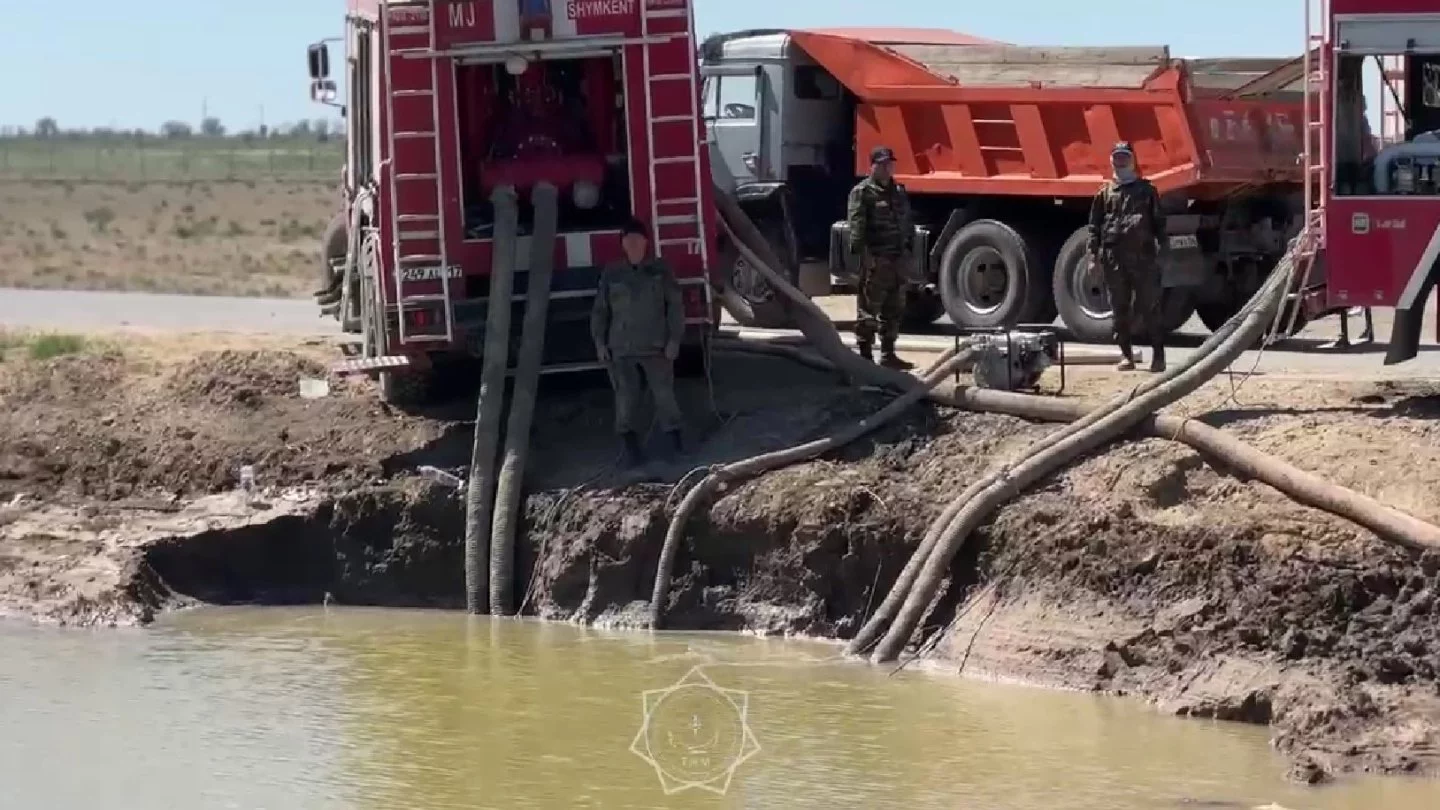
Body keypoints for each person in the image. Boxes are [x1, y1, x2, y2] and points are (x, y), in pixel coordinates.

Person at [591, 218, 685, 466]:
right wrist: (600, 343)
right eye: (628, 240)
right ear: (623, 244)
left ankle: (675, 442)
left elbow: (675, 306)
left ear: (645, 242)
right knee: (625, 398)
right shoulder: (612, 273)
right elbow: (600, 311)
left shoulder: (660, 270)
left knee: (664, 395)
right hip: (621, 347)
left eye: (637, 240)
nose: (633, 245)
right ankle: (630, 447)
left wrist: (675, 339)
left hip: (656, 345)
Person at [1087, 141, 1168, 373]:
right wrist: (1092, 257)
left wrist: (1164, 250)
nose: (1121, 161)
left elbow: (1159, 224)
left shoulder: (1147, 191)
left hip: (1143, 258)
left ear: (1132, 160)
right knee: (1119, 308)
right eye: (1117, 157)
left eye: (1125, 157)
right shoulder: (1104, 193)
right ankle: (1126, 355)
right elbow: (1094, 227)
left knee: (1149, 307)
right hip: (1114, 259)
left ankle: (1159, 356)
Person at [846, 145, 915, 370]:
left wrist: (908, 248)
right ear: (873, 166)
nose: (888, 168)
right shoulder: (863, 193)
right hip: (876, 260)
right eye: (883, 164)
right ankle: (865, 356)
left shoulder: (898, 192)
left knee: (894, 309)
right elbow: (857, 226)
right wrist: (863, 257)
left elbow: (907, 222)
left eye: (890, 164)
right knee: (868, 310)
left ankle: (888, 355)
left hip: (897, 260)